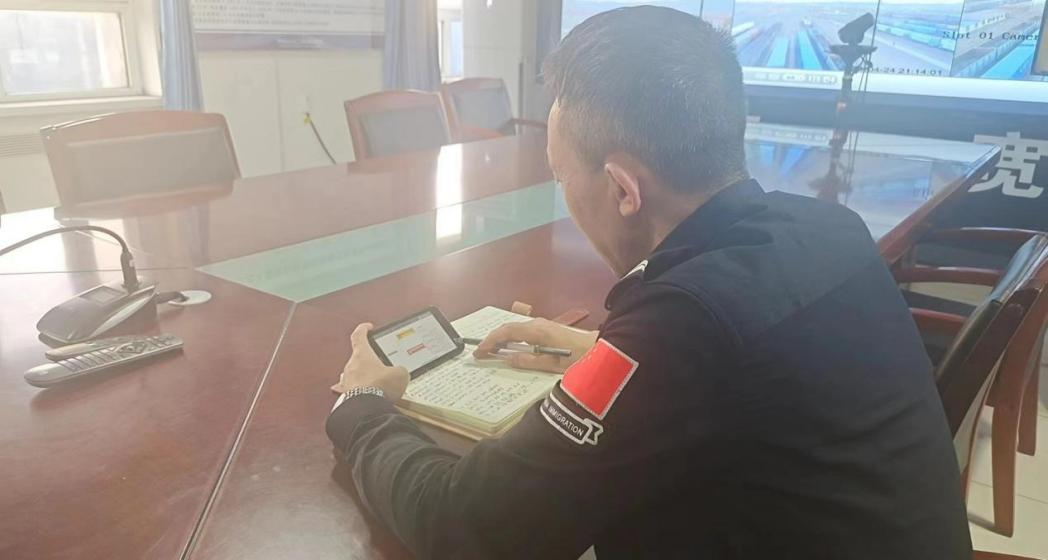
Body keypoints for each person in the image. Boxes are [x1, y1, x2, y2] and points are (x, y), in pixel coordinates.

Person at [326, 6, 971, 559]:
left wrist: (361, 406)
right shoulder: (830, 229)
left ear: (622, 190)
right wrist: (597, 352)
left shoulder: (684, 326)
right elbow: (746, 370)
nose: (564, 193)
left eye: (561, 176)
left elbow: (466, 529)